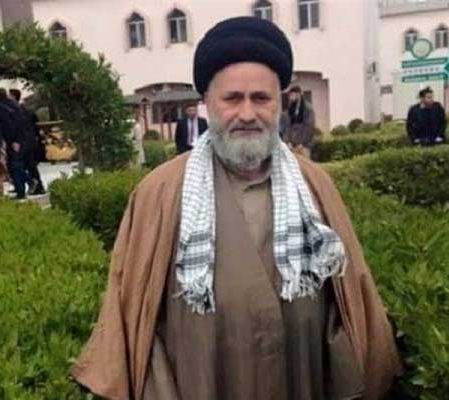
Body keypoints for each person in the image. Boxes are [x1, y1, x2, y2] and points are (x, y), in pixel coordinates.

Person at [72, 16, 402, 400]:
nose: (247, 114)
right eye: (232, 99)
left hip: (299, 376)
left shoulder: (315, 185)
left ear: (280, 102)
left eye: (261, 98)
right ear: (207, 103)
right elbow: (137, 318)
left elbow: (347, 304)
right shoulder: (158, 193)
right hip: (200, 378)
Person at [9, 89, 46, 195]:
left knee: (23, 166)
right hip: (29, 141)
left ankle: (34, 185)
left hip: (24, 142)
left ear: (13, 97)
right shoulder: (25, 110)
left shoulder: (17, 111)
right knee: (29, 166)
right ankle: (35, 186)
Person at [0, 88, 29, 200]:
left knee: (14, 166)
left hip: (12, 140)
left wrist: (13, 140)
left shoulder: (1, 108)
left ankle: (25, 185)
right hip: (20, 138)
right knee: (16, 164)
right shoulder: (14, 105)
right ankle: (23, 187)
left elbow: (8, 125)